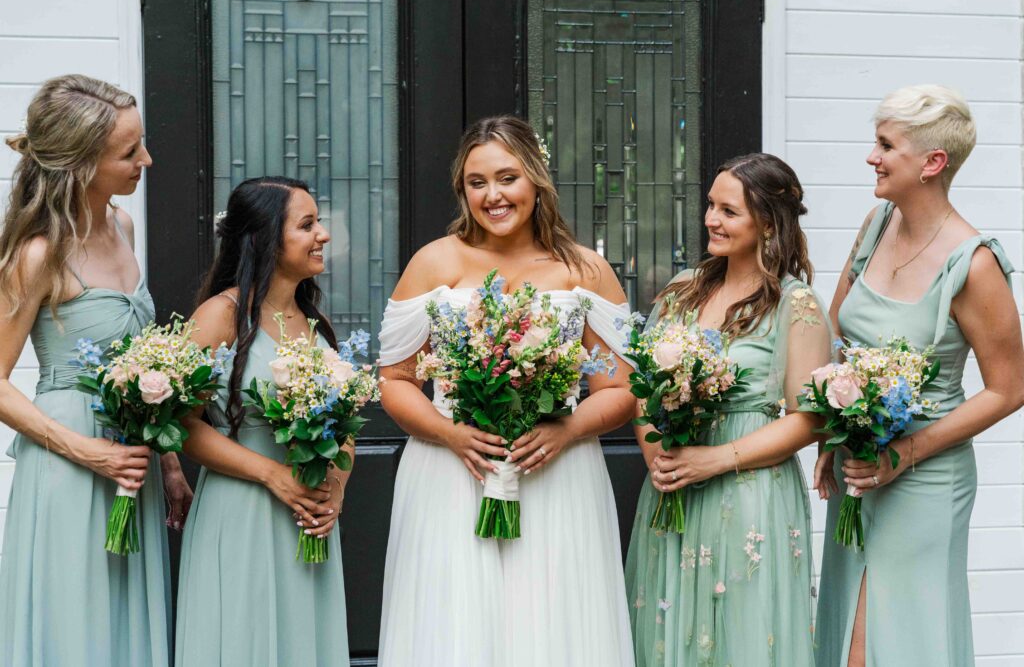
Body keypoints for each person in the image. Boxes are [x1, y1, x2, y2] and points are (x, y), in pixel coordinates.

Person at [376, 115, 636, 666]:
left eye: (506, 178)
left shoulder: (583, 269)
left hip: (555, 472)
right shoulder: (433, 263)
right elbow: (396, 381)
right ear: (462, 190)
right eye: (477, 183)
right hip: (451, 472)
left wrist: (567, 429)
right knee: (453, 625)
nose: (493, 195)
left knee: (550, 621)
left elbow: (618, 389)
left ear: (535, 180)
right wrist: (450, 434)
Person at [814, 84, 1024, 667]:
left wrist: (904, 454)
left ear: (932, 163)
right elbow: (839, 332)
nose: (871, 156)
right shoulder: (877, 223)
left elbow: (1010, 389)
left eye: (885, 145)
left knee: (895, 636)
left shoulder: (975, 264)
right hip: (859, 461)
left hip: (926, 478)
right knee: (848, 616)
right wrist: (838, 427)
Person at [0, 74, 188, 666]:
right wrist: (88, 452)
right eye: (130, 152)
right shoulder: (36, 254)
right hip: (69, 462)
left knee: (127, 619)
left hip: (134, 459)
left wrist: (172, 460)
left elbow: (140, 356)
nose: (146, 161)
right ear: (81, 164)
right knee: (76, 626)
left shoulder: (123, 226)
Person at [625, 153, 829, 666]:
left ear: (766, 222)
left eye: (728, 211)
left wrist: (715, 461)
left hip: (748, 490)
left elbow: (809, 419)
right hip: (673, 487)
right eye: (711, 206)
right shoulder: (680, 292)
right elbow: (642, 388)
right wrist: (658, 457)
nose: (711, 219)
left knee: (741, 630)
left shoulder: (794, 304)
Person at [175, 177, 351, 666]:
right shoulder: (220, 316)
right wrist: (274, 475)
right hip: (243, 511)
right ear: (266, 237)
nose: (323, 235)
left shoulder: (314, 320)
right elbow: (185, 426)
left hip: (306, 519)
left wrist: (336, 487)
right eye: (307, 224)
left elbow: (343, 424)